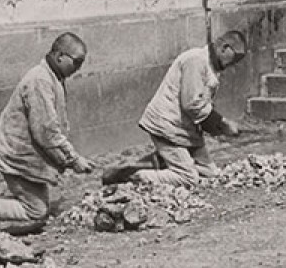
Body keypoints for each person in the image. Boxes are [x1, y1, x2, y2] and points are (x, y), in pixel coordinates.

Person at [0, 33, 95, 227]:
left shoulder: (52, 76)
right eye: (77, 62)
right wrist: (73, 159)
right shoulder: (40, 80)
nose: (79, 68)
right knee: (36, 212)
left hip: (27, 156)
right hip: (16, 154)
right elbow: (46, 132)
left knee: (38, 201)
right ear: (59, 55)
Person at [99, 30, 248, 187]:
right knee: (188, 178)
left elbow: (203, 104)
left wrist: (218, 128)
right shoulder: (195, 60)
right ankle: (134, 177)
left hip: (186, 128)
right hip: (167, 125)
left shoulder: (211, 67)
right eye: (236, 57)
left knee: (210, 173)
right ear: (224, 47)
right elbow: (191, 104)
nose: (235, 63)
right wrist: (222, 122)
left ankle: (143, 165)